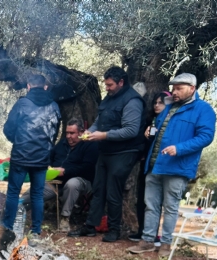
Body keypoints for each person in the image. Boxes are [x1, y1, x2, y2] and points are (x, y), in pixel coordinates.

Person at [129, 73, 216, 254]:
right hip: (155, 165)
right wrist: (149, 131)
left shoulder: (203, 109)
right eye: (173, 88)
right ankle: (147, 241)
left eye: (179, 88)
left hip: (177, 166)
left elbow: (206, 137)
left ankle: (166, 244)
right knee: (151, 205)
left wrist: (180, 148)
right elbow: (158, 128)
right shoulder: (168, 107)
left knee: (170, 207)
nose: (174, 92)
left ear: (192, 89)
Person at [69, 66, 147, 242]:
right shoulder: (109, 98)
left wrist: (103, 135)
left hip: (125, 152)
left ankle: (114, 229)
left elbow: (131, 130)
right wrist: (90, 132)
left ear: (121, 82)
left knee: (113, 191)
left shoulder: (132, 101)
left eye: (110, 84)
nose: (107, 88)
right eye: (106, 84)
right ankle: (90, 226)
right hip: (106, 150)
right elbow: (99, 121)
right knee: (98, 189)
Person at [2, 73, 61, 236]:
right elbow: (54, 133)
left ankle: (7, 228)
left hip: (21, 156)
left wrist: (18, 141)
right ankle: (36, 230)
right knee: (37, 195)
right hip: (41, 158)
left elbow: (8, 128)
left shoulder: (22, 104)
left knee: (13, 192)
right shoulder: (54, 106)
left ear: (28, 86)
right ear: (45, 87)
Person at [39, 119, 99, 232]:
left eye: (72, 133)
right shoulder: (62, 143)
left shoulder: (90, 145)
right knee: (37, 188)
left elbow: (87, 168)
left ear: (81, 133)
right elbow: (49, 157)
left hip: (82, 181)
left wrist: (65, 171)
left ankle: (65, 218)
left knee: (72, 184)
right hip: (57, 180)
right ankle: (14, 208)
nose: (68, 136)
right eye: (67, 133)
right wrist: (48, 167)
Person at [129, 91, 170, 243]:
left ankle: (157, 235)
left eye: (161, 102)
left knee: (158, 202)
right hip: (147, 165)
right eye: (155, 103)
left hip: (164, 166)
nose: (157, 105)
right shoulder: (150, 121)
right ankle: (142, 231)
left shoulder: (170, 122)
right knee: (143, 200)